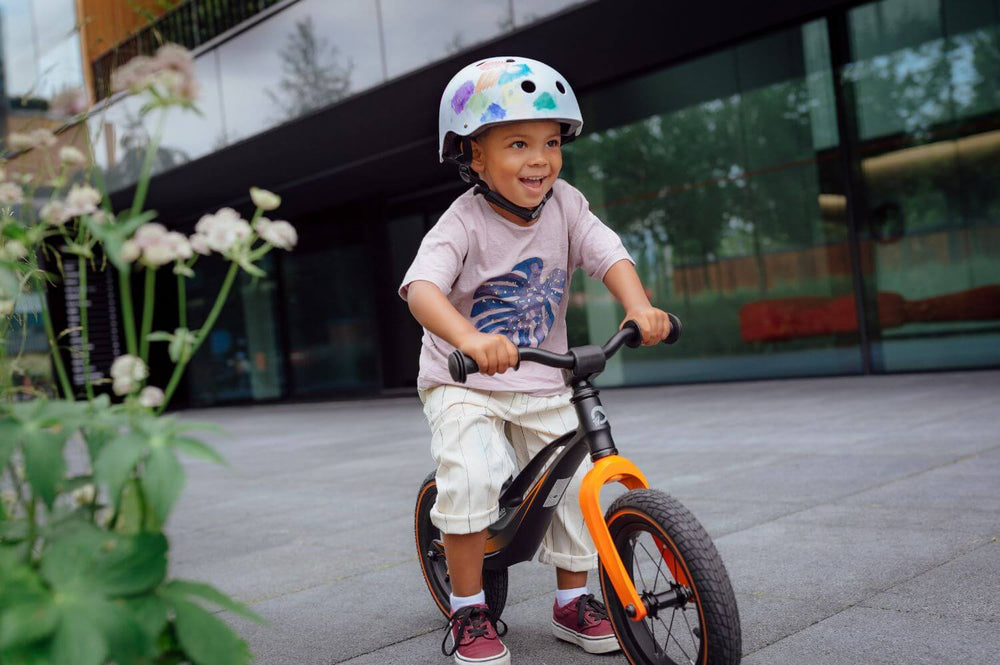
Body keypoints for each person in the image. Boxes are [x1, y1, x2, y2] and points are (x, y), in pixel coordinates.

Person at [399, 56, 672, 665]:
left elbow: (606, 252)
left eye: (551, 143)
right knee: (471, 476)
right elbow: (421, 290)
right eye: (517, 143)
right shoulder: (462, 221)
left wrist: (640, 305)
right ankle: (469, 609)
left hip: (546, 374)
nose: (540, 159)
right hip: (464, 378)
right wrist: (469, 340)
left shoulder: (566, 204)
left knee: (574, 487)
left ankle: (572, 602)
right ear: (474, 156)